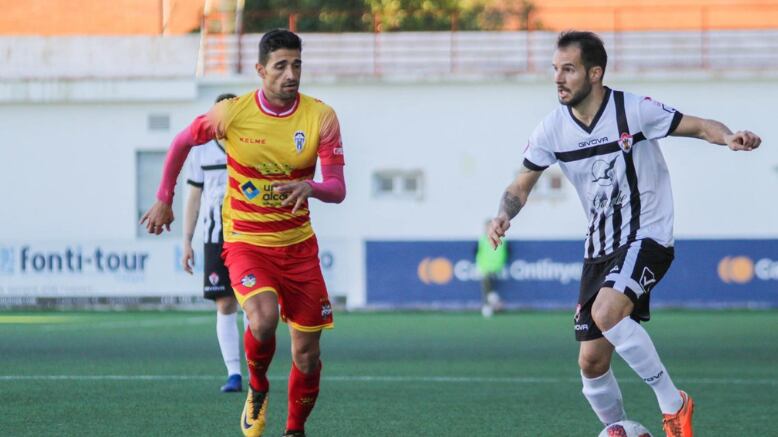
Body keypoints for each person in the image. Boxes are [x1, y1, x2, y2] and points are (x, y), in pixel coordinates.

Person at [488, 31, 760, 437]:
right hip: (599, 247)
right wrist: (502, 215)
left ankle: (674, 404)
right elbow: (521, 183)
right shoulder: (551, 129)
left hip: (647, 235)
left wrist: (729, 138)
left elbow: (700, 126)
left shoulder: (632, 111)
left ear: (595, 73)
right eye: (555, 69)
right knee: (592, 363)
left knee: (607, 311)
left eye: (569, 69)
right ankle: (620, 429)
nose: (558, 79)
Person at [141, 29, 346, 437]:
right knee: (263, 318)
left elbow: (338, 188)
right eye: (281, 66)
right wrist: (165, 197)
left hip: (299, 247)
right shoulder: (233, 113)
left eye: (297, 65)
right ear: (260, 70)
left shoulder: (321, 116)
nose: (291, 74)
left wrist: (313, 187)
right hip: (246, 241)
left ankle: (294, 429)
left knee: (307, 355)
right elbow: (182, 142)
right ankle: (257, 386)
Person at [181, 92, 250, 393]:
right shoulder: (201, 150)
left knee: (253, 303)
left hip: (250, 234)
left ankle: (258, 371)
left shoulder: (250, 147)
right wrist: (186, 241)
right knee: (225, 302)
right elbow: (193, 197)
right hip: (214, 237)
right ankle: (234, 373)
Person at [475, 219, 508, 317]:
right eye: (486, 227)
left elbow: (501, 254)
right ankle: (492, 300)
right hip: (484, 268)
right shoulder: (482, 239)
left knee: (486, 282)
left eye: (489, 227)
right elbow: (479, 253)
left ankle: (489, 303)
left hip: (495, 268)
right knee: (486, 283)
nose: (486, 229)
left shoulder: (500, 239)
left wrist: (498, 265)